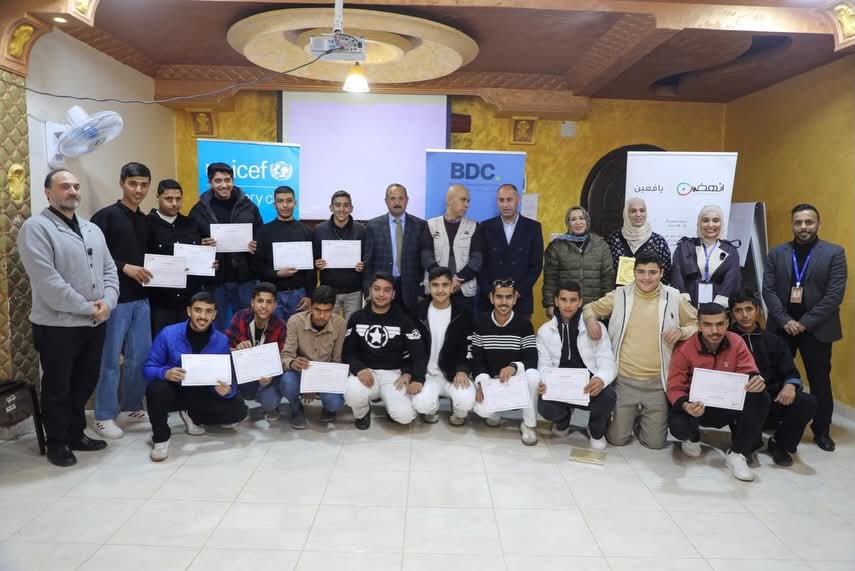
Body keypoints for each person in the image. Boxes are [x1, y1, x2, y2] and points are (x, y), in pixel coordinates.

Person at [18, 169, 118, 467]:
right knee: (58, 387)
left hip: (94, 323)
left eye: (75, 186)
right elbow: (48, 282)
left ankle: (76, 433)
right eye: (64, 186)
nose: (72, 191)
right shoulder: (36, 228)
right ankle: (57, 441)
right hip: (57, 325)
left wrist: (108, 302)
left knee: (85, 382)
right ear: (48, 192)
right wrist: (89, 307)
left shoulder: (92, 229)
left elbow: (109, 270)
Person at [583, 253, 697, 449]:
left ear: (661, 273)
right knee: (617, 440)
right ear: (634, 272)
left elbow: (697, 323)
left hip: (657, 382)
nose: (646, 277)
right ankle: (628, 417)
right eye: (641, 272)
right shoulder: (620, 295)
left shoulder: (674, 297)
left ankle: (638, 418)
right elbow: (589, 308)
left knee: (655, 443)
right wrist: (592, 322)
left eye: (652, 272)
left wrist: (681, 331)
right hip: (625, 379)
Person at [763, 203, 847, 451]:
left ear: (818, 224)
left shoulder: (834, 253)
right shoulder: (777, 253)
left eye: (809, 222)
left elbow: (834, 296)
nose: (803, 227)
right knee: (775, 376)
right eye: (798, 222)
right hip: (782, 326)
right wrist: (785, 320)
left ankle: (821, 430)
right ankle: (773, 419)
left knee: (819, 381)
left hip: (817, 328)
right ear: (792, 225)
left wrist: (804, 323)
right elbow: (768, 290)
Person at [667, 303, 771, 482]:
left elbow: (749, 369)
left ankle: (737, 453)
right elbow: (675, 386)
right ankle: (692, 437)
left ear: (727, 323)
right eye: (707, 325)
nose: (714, 330)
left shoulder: (736, 341)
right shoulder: (684, 348)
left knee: (761, 397)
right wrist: (686, 405)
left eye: (720, 324)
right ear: (699, 326)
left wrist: (756, 380)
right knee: (678, 426)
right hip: (696, 408)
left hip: (727, 405)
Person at [143, 291, 247, 462]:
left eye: (208, 311)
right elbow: (148, 369)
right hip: (175, 391)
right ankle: (161, 439)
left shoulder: (221, 340)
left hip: (203, 392)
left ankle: (192, 416)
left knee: (239, 411)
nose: (203, 316)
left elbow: (229, 377)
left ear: (214, 315)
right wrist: (165, 373)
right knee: (156, 389)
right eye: (198, 310)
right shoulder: (168, 333)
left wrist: (228, 391)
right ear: (189, 311)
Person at [90, 162, 154, 440]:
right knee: (110, 360)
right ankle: (103, 415)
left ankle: (131, 408)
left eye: (143, 185)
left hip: (142, 299)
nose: (138, 190)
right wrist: (124, 267)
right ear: (122, 183)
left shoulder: (145, 220)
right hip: (114, 300)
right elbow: (91, 256)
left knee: (139, 358)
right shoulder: (105, 217)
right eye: (133, 184)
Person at [730, 290, 817, 466]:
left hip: (773, 400)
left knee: (807, 401)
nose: (744, 315)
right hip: (743, 404)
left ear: (757, 310)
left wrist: (790, 386)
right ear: (732, 314)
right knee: (749, 443)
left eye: (749, 309)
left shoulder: (773, 340)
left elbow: (790, 371)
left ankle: (780, 444)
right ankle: (748, 445)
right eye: (738, 310)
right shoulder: (726, 340)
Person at [536, 280, 617, 450]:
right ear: (556, 301)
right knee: (544, 405)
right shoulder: (545, 331)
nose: (568, 305)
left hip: (588, 385)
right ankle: (563, 421)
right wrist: (543, 381)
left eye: (573, 300)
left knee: (608, 396)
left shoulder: (595, 328)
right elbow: (544, 365)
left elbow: (607, 361)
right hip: (560, 386)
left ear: (580, 302)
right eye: (563, 300)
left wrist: (601, 379)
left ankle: (595, 431)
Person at [343, 272, 426, 429]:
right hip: (367, 373)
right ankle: (362, 413)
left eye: (387, 290)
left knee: (405, 417)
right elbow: (348, 352)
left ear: (393, 294)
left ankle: (391, 407)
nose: (381, 294)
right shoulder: (357, 318)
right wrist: (358, 368)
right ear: (370, 291)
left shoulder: (405, 320)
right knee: (352, 391)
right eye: (377, 289)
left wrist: (410, 373)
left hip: (394, 375)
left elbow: (418, 353)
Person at [189, 162, 262, 330]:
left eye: (227, 180)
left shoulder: (249, 207)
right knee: (214, 327)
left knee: (247, 327)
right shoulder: (198, 210)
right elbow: (191, 242)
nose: (224, 185)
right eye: (218, 181)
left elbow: (261, 236)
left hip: (245, 278)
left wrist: (255, 245)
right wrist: (201, 245)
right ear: (210, 182)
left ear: (233, 180)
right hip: (214, 281)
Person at [471, 279, 541, 445]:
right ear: (491, 298)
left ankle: (529, 424)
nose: (504, 302)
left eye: (508, 297)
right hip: (492, 381)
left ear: (515, 299)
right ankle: (495, 413)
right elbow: (477, 358)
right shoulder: (481, 322)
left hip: (515, 382)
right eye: (499, 297)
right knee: (482, 410)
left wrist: (513, 367)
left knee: (533, 375)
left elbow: (532, 359)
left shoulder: (524, 324)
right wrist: (482, 382)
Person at [146, 179, 211, 337]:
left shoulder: (191, 224)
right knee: (161, 342)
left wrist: (209, 263)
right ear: (158, 197)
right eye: (168, 199)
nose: (174, 204)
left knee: (189, 342)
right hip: (160, 301)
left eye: (178, 199)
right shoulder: (146, 224)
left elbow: (202, 253)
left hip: (189, 300)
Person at [411, 267, 477, 425]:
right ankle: (431, 408)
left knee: (466, 401)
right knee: (421, 404)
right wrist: (415, 375)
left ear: (452, 286)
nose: (440, 290)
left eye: (445, 285)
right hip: (428, 375)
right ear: (428, 286)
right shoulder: (418, 311)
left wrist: (463, 369)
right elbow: (411, 347)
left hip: (453, 374)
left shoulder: (463, 312)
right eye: (435, 285)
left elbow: (470, 344)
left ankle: (459, 411)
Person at [281, 285, 347, 427]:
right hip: (301, 372)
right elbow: (286, 356)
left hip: (326, 374)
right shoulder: (295, 321)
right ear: (310, 306)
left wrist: (314, 383)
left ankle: (328, 408)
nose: (322, 316)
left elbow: (337, 360)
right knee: (287, 382)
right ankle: (295, 408)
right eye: (317, 310)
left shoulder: (340, 324)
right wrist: (293, 363)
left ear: (333, 308)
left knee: (335, 403)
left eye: (327, 311)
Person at [363, 183, 434, 315]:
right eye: (392, 198)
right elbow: (368, 262)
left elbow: (423, 261)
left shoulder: (420, 225)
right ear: (386, 201)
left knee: (409, 324)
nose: (397, 202)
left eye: (401, 198)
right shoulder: (373, 226)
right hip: (382, 289)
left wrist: (421, 291)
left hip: (411, 289)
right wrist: (368, 291)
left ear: (407, 200)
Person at [225, 282, 287, 428]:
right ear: (252, 302)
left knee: (269, 402)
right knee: (227, 364)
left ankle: (268, 403)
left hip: (266, 377)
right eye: (260, 301)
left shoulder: (280, 325)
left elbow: (283, 357)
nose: (264, 306)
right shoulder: (240, 317)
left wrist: (271, 376)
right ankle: (234, 403)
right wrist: (236, 349)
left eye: (269, 302)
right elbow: (223, 347)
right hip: (243, 372)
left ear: (275, 305)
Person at [477, 184, 544, 318]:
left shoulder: (533, 228)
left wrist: (518, 292)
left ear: (518, 199)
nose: (505, 205)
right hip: (490, 300)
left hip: (521, 300)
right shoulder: (485, 227)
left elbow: (536, 266)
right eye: (501, 200)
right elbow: (479, 263)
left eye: (509, 200)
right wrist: (489, 292)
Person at [253, 186, 315, 323]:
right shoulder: (264, 231)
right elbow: (258, 266)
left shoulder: (306, 231)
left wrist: (310, 295)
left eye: (289, 201)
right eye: (280, 201)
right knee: (273, 333)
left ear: (295, 203)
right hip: (272, 295)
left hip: (299, 295)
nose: (285, 205)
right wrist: (277, 274)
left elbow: (311, 269)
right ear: (274, 204)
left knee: (299, 333)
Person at [542, 205, 614, 319]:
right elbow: (550, 279)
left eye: (581, 218)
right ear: (568, 223)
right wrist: (550, 304)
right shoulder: (557, 246)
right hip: (566, 307)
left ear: (587, 221)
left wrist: (607, 305)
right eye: (573, 219)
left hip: (594, 308)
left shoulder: (600, 245)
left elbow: (607, 277)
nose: (578, 222)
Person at [426, 184, 482, 313]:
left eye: (468, 201)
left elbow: (477, 259)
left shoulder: (474, 226)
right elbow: (426, 256)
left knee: (463, 324)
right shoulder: (430, 225)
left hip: (464, 291)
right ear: (449, 200)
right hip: (437, 290)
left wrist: (458, 279)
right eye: (463, 200)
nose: (467, 205)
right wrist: (443, 280)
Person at [671, 205, 741, 307]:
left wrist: (719, 305)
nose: (710, 225)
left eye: (715, 220)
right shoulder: (684, 247)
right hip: (687, 306)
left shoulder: (731, 251)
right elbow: (677, 276)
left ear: (721, 223)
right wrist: (685, 302)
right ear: (699, 223)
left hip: (719, 309)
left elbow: (731, 280)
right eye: (705, 220)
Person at [313, 190, 365, 322]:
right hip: (328, 291)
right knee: (329, 328)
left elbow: (367, 257)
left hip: (354, 291)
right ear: (331, 207)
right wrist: (316, 263)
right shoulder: (319, 230)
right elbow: (313, 258)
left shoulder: (362, 230)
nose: (342, 209)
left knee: (352, 327)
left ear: (351, 208)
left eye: (346, 205)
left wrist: (363, 264)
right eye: (337, 205)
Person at [606, 197, 672, 285]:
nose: (638, 214)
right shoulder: (614, 239)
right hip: (620, 292)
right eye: (633, 211)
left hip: (650, 292)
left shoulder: (659, 242)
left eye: (642, 210)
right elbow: (606, 271)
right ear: (626, 213)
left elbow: (665, 274)